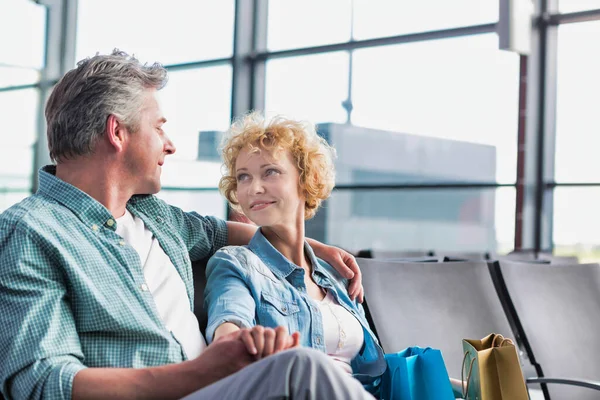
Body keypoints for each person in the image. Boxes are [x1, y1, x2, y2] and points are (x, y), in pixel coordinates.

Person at [0, 50, 370, 400]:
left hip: (220, 388)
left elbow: (223, 232)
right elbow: (43, 381)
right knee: (302, 368)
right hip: (192, 388)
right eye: (159, 128)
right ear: (117, 132)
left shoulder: (157, 218)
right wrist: (204, 370)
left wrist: (317, 251)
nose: (170, 145)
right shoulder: (31, 231)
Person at [204, 113, 387, 395]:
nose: (254, 188)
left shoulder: (335, 276)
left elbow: (375, 374)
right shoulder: (236, 264)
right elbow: (229, 332)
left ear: (305, 179)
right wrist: (236, 340)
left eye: (270, 172)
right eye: (243, 177)